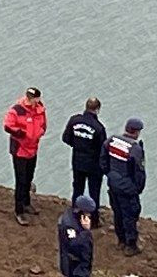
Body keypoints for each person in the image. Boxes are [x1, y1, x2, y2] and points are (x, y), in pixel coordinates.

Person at [101, 117, 146, 254]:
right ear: (137, 132)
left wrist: (110, 175)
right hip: (128, 188)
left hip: (113, 184)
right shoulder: (135, 149)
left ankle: (121, 240)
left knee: (118, 213)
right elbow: (139, 173)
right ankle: (130, 245)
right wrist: (137, 188)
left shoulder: (112, 140)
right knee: (130, 215)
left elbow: (103, 160)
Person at [3, 87, 47, 225]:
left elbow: (44, 125)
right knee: (21, 180)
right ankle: (19, 211)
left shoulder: (40, 110)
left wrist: (40, 132)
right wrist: (21, 133)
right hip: (20, 150)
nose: (36, 100)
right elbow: (7, 126)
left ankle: (27, 203)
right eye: (33, 98)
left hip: (33, 148)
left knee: (29, 177)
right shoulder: (16, 110)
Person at [62, 98, 106, 228]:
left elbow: (66, 138)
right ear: (98, 109)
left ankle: (75, 216)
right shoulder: (99, 128)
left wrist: (78, 146)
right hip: (93, 164)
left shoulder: (74, 120)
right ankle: (94, 220)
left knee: (78, 189)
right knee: (94, 192)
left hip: (78, 161)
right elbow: (102, 148)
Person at [57, 196, 95, 277]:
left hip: (79, 263)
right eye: (87, 212)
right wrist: (86, 231)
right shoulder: (69, 226)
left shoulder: (75, 218)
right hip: (74, 266)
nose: (89, 215)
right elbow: (74, 244)